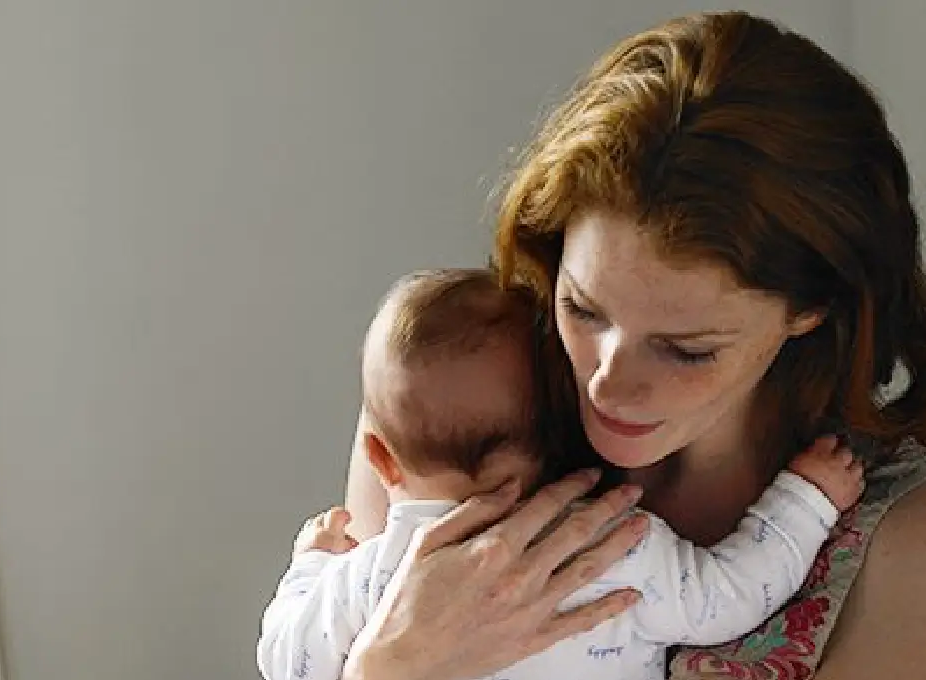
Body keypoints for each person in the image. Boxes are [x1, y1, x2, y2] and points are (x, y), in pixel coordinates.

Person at [337, 11, 926, 680]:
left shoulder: (911, 536)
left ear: (809, 309)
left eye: (685, 350)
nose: (606, 385)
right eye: (583, 309)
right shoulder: (454, 406)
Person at [257, 269, 864, 680]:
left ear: (379, 457)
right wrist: (806, 501)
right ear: (562, 429)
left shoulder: (368, 581)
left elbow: (284, 659)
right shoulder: (612, 546)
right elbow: (730, 598)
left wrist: (312, 565)